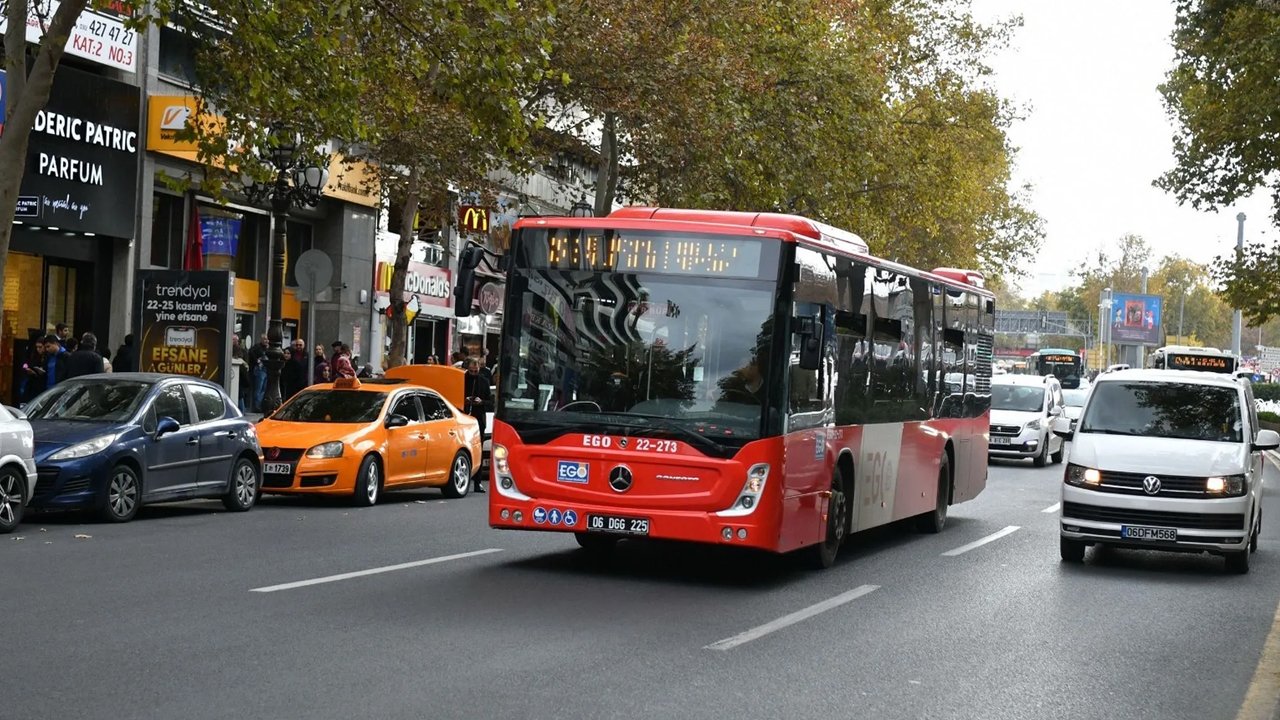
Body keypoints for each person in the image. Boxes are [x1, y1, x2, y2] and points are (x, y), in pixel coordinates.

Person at [462, 357, 491, 493]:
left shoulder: (484, 381)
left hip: (478, 418)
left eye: (476, 370)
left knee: (477, 448)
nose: (474, 372)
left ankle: (477, 482)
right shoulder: (461, 379)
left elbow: (490, 401)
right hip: (464, 417)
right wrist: (465, 400)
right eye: (471, 371)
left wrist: (481, 401)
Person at [247, 334, 269, 411]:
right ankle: (256, 406)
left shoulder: (268, 348)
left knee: (264, 388)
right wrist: (257, 360)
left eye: (267, 339)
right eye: (265, 339)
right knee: (258, 388)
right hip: (260, 369)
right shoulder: (257, 347)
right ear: (261, 340)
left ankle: (259, 404)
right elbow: (251, 353)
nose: (266, 341)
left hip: (266, 369)